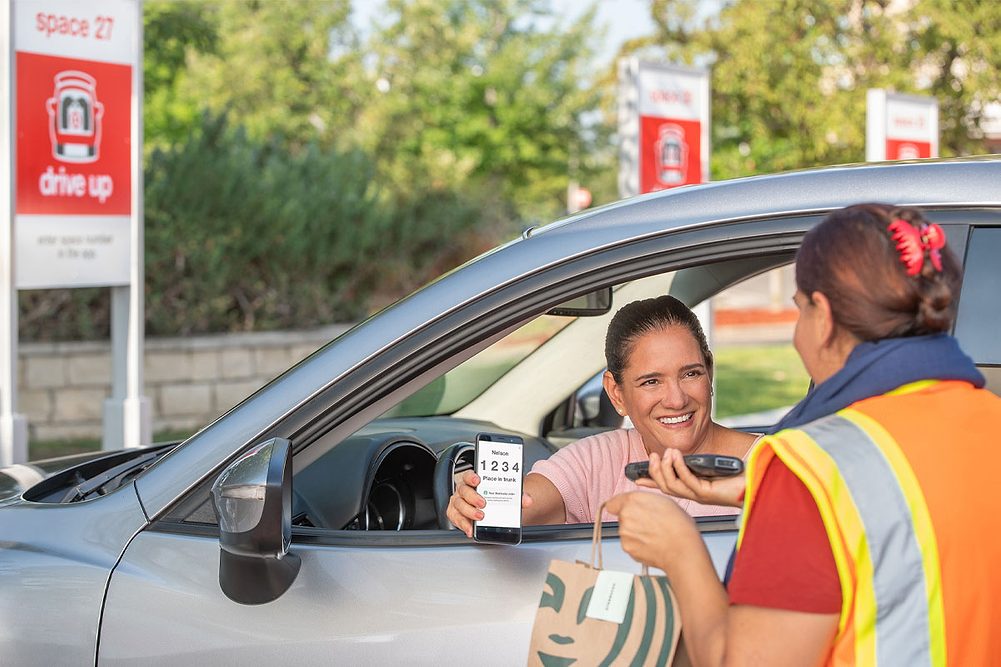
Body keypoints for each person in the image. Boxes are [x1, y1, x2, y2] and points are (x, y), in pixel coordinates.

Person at [607, 203, 1001, 665]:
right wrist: (763, 492)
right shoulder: (987, 420)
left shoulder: (812, 471)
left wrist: (681, 551)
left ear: (824, 317)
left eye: (799, 311)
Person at [446, 294, 758, 537]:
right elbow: (526, 505)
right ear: (616, 393)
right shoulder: (600, 459)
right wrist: (478, 506)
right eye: (651, 381)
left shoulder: (775, 463)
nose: (676, 399)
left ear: (710, 372)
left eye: (690, 374)